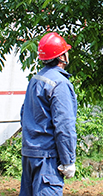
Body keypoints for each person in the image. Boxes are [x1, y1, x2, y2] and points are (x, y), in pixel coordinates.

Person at [19, 32, 78, 196]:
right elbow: (64, 126)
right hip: (48, 159)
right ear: (61, 57)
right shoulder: (60, 83)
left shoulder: (35, 80)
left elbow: (24, 115)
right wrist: (68, 161)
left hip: (29, 156)